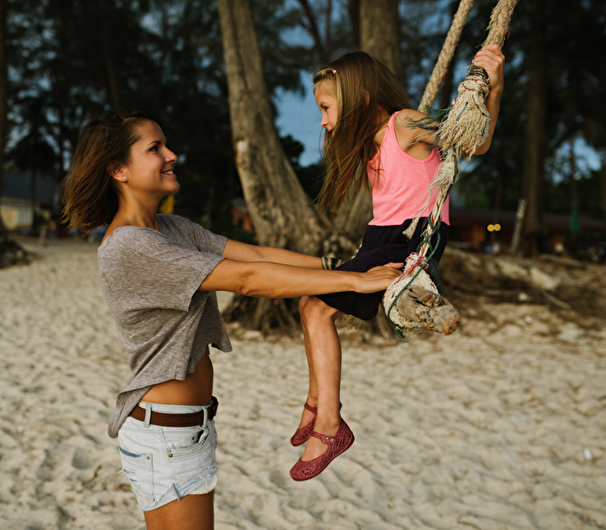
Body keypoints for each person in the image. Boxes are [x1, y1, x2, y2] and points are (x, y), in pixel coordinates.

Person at [61, 111, 404, 530]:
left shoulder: (171, 228)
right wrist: (354, 281)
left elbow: (256, 255)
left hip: (183, 429)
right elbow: (246, 279)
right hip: (167, 436)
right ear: (119, 170)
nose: (171, 155)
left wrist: (344, 265)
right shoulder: (131, 246)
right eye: (154, 149)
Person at [290, 46, 505, 481]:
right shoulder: (372, 141)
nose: (323, 120)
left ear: (359, 98)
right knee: (308, 303)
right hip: (382, 238)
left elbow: (475, 141)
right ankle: (317, 403)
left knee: (317, 309)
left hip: (410, 238)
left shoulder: (403, 124)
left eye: (327, 108)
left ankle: (329, 423)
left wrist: (494, 87)